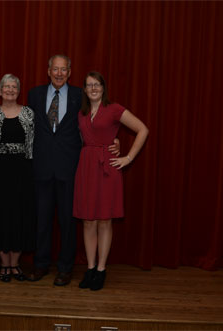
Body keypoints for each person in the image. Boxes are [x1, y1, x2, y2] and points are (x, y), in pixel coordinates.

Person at [26, 55, 119, 286]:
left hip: (72, 169)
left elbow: (97, 123)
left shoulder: (81, 95)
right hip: (42, 167)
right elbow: (28, 129)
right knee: (42, 220)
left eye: (63, 70)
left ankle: (65, 268)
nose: (59, 73)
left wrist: (114, 142)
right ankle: (40, 265)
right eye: (55, 69)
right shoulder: (34, 95)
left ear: (69, 72)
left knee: (68, 222)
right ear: (48, 71)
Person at [74, 71, 148, 291]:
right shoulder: (82, 112)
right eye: (89, 85)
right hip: (86, 165)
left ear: (103, 88)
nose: (93, 88)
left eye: (97, 84)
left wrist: (128, 157)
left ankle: (101, 270)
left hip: (107, 167)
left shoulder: (114, 108)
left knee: (105, 219)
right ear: (85, 90)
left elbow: (143, 129)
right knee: (88, 220)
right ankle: (90, 267)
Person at [0, 74, 35, 282]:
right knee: (0, 214)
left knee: (20, 214)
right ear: (0, 90)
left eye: (14, 87)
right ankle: (4, 263)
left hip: (22, 169)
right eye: (6, 87)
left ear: (18, 91)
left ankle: (15, 263)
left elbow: (35, 142)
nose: (10, 90)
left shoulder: (29, 113)